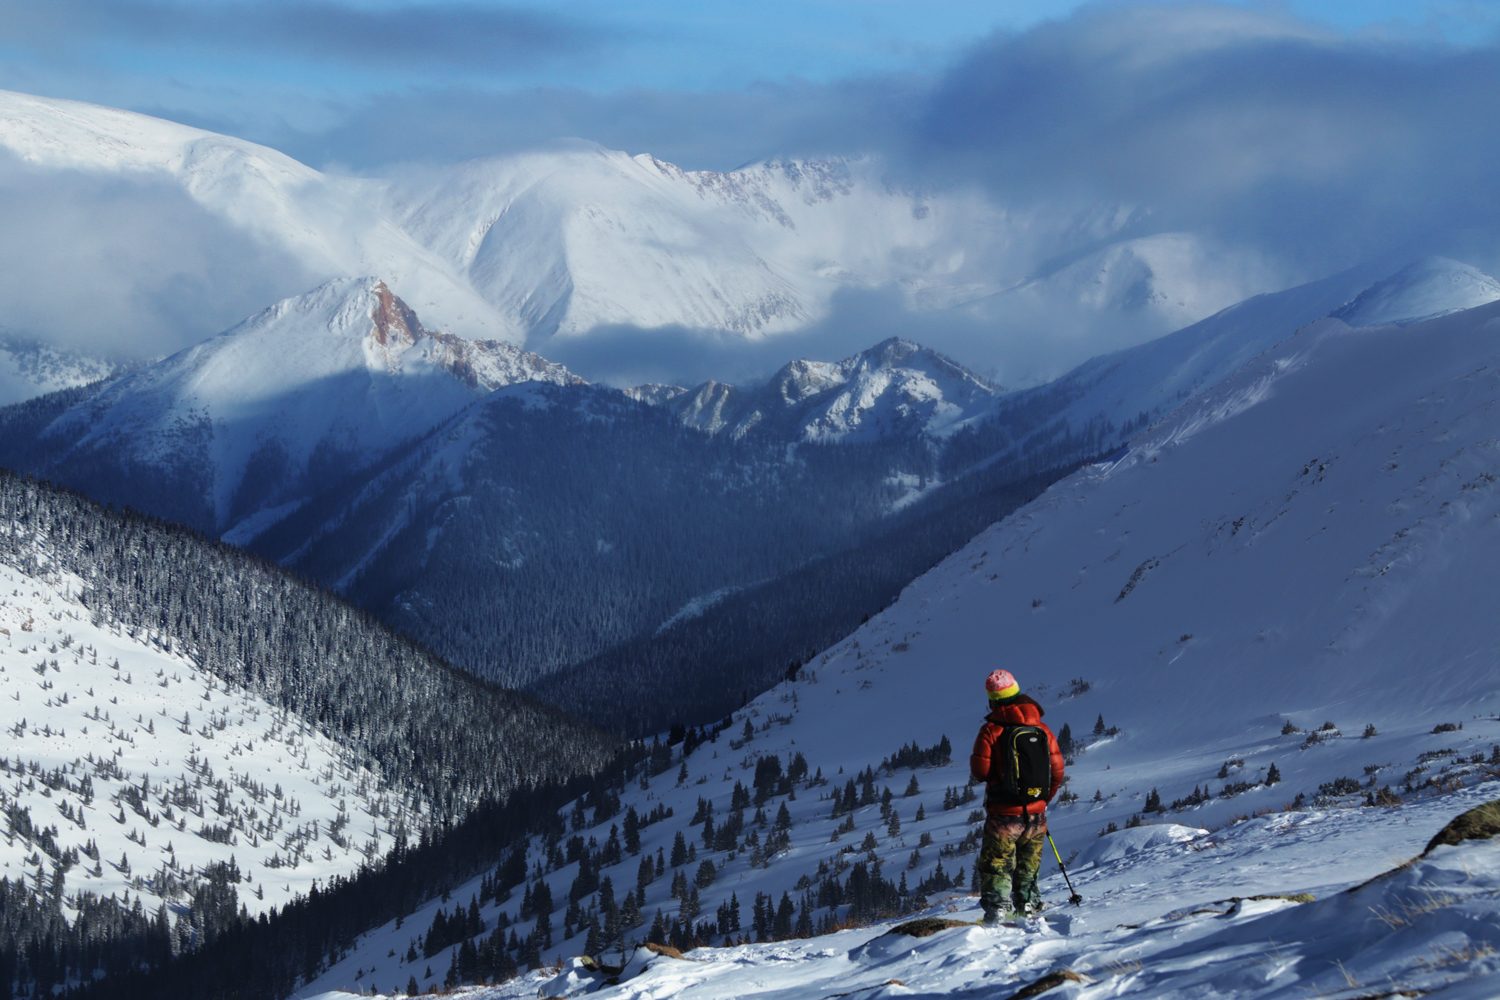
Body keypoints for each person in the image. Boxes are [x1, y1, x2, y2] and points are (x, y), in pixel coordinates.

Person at [969, 668, 1065, 924]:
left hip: (1003, 814)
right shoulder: (1042, 729)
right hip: (1037, 813)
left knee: (997, 862)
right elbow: (1056, 771)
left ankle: (997, 910)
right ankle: (1028, 905)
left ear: (993, 700)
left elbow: (980, 772)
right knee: (1028, 864)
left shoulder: (991, 730)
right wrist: (1041, 801)